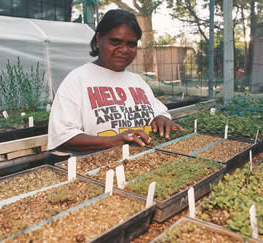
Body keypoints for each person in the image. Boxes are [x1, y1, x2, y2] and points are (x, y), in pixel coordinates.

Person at [48, 9, 183, 154]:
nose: (124, 50)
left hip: (142, 166)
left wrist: (161, 119)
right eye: (115, 41)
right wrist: (115, 140)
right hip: (97, 172)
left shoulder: (137, 82)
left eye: (131, 44)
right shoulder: (78, 80)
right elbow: (61, 138)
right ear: (99, 40)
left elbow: (160, 113)